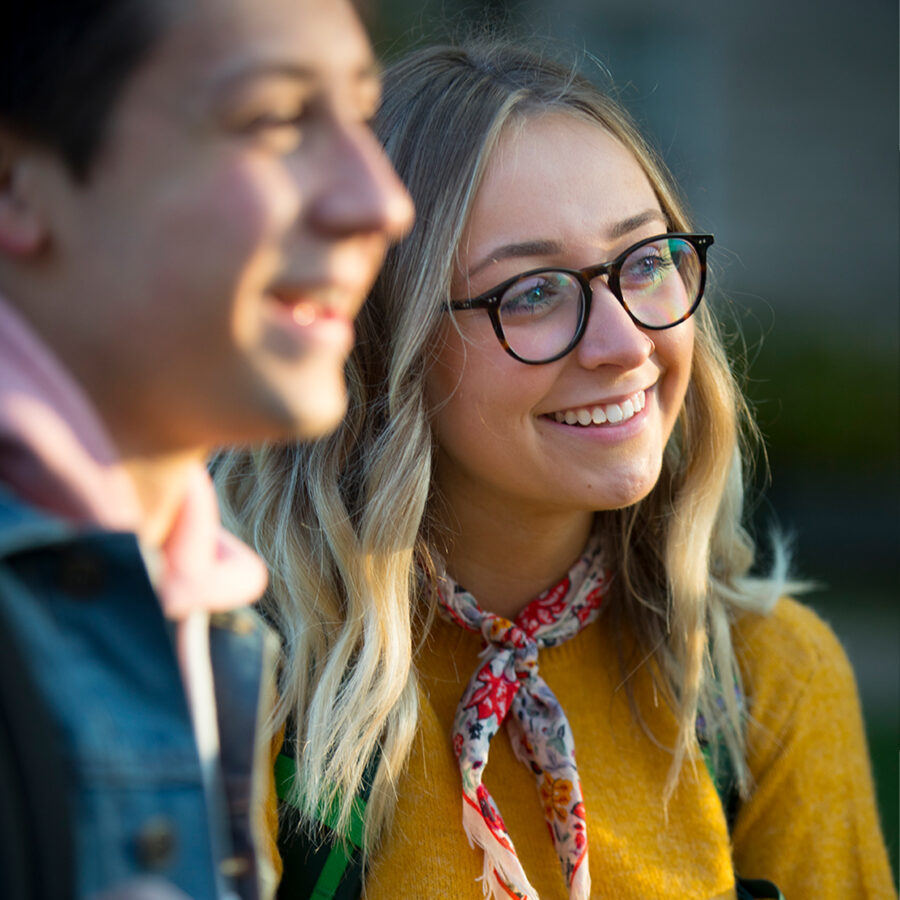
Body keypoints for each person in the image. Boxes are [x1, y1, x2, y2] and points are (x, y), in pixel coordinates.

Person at [216, 41, 895, 900]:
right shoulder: (248, 682)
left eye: (646, 262)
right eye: (533, 291)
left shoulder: (765, 685)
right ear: (384, 343)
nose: (625, 344)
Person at [0, 0, 413, 898]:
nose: (382, 200)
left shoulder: (199, 597)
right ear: (14, 184)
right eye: (274, 119)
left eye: (361, 116)